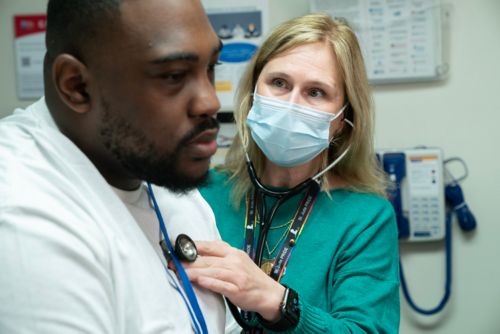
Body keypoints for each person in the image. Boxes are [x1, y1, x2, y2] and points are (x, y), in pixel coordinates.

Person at [0, 0, 227, 333]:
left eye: (211, 67)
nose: (210, 101)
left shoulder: (157, 169)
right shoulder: (21, 213)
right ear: (76, 86)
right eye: (174, 76)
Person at [187, 13, 400, 333]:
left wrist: (278, 303)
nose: (290, 105)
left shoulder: (365, 218)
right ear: (253, 93)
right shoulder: (198, 193)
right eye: (279, 83)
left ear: (342, 119)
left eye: (316, 92)